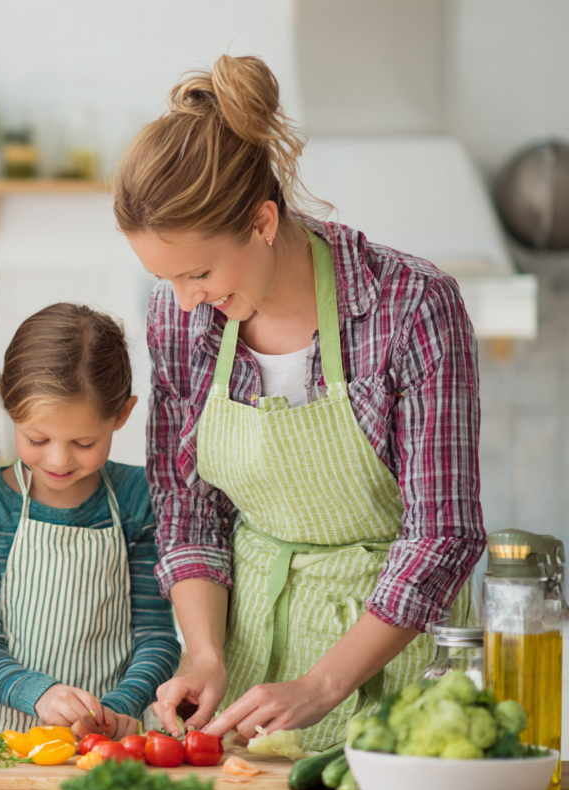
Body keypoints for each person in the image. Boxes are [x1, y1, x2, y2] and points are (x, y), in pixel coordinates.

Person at [113, 55, 484, 750]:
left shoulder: (412, 305)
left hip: (390, 674)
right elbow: (188, 505)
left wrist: (321, 684)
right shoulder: (180, 316)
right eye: (167, 279)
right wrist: (205, 655)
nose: (187, 299)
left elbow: (444, 533)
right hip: (248, 669)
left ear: (261, 221)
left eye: (199, 272)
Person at [0, 303, 180, 739]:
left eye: (83, 441)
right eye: (37, 439)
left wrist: (117, 708)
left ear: (121, 414)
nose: (58, 460)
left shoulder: (138, 497)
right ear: (7, 404)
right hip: (6, 736)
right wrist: (37, 693)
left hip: (113, 736)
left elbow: (157, 636)